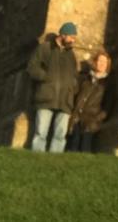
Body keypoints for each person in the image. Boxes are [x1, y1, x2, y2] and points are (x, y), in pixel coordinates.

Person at [27, 22, 79, 152]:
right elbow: (32, 67)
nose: (73, 40)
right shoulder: (45, 48)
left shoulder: (71, 55)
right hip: (46, 96)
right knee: (41, 132)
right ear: (63, 35)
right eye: (71, 37)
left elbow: (74, 75)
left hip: (65, 100)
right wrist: (45, 77)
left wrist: (72, 87)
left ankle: (54, 161)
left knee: (60, 135)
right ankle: (36, 157)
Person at [66, 48, 116, 153]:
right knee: (72, 148)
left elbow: (108, 106)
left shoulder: (108, 83)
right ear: (95, 62)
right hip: (77, 117)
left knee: (85, 148)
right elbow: (76, 94)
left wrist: (97, 119)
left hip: (91, 120)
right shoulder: (86, 78)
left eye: (104, 62)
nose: (101, 64)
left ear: (107, 65)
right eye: (100, 61)